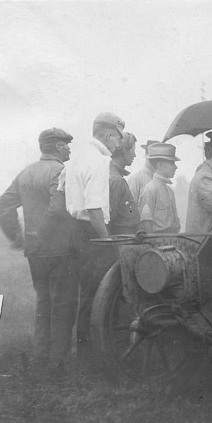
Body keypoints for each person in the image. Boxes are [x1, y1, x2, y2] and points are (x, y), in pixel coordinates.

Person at [0, 128, 78, 371]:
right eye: (66, 144)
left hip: (35, 253)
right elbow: (56, 208)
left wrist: (19, 237)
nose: (69, 148)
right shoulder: (60, 171)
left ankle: (41, 357)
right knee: (63, 305)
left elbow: (2, 206)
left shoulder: (26, 173)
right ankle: (57, 363)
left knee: (44, 302)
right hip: (59, 251)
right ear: (57, 147)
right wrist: (40, 235)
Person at [64, 112, 125, 361]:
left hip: (75, 231)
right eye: (117, 139)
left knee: (87, 294)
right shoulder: (99, 161)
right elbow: (94, 208)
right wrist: (109, 242)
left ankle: (86, 356)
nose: (118, 145)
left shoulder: (77, 157)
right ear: (108, 134)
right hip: (92, 233)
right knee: (98, 295)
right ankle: (92, 360)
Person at [138, 142, 181, 233]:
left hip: (171, 241)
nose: (175, 167)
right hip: (157, 243)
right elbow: (146, 224)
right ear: (160, 165)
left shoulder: (169, 191)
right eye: (172, 163)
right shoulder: (150, 190)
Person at [109, 132, 140, 235]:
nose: (134, 155)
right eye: (133, 150)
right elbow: (111, 218)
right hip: (123, 240)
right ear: (124, 151)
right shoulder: (116, 180)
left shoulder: (114, 175)